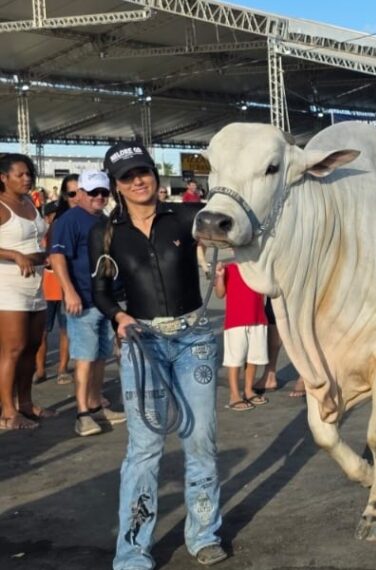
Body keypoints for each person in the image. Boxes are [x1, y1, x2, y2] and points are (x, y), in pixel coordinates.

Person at [89, 143, 229, 568]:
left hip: (194, 339)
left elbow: (235, 223)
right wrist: (119, 317)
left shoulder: (187, 217)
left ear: (154, 173)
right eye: (127, 177)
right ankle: (133, 550)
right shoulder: (105, 233)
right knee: (145, 447)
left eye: (143, 172)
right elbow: (99, 292)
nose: (138, 181)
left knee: (200, 439)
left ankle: (204, 534)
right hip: (141, 342)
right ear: (116, 185)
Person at [50, 170, 127, 437]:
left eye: (104, 192)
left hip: (105, 300)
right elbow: (57, 257)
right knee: (84, 357)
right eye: (93, 192)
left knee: (100, 356)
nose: (99, 197)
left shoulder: (104, 220)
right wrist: (69, 291)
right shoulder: (69, 220)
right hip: (81, 300)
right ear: (81, 193)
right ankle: (82, 414)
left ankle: (95, 405)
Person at [0, 153, 52, 431]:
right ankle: (8, 412)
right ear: (3, 177)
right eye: (20, 174)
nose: (27, 178)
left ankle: (26, 403)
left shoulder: (30, 203)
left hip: (36, 283)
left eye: (29, 173)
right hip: (8, 285)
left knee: (33, 346)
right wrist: (14, 254)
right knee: (14, 348)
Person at [35, 173, 79, 386]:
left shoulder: (76, 223)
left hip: (67, 286)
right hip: (47, 286)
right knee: (42, 331)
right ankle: (40, 369)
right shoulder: (46, 232)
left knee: (65, 330)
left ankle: (62, 369)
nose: (52, 218)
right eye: (50, 215)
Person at [213, 262, 269, 411]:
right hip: (236, 321)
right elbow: (219, 294)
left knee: (253, 358)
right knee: (235, 359)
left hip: (257, 318)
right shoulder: (229, 268)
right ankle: (234, 395)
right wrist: (220, 276)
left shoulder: (258, 266)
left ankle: (248, 390)